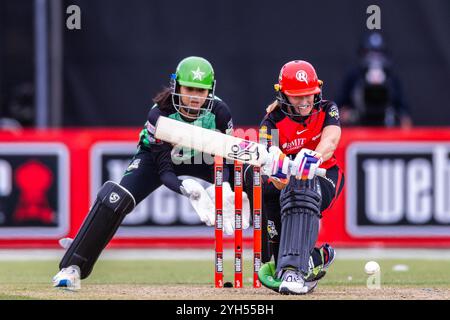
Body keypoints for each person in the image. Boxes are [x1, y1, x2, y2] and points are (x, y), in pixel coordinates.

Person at [52, 56, 248, 290]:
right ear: (177, 86)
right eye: (190, 89)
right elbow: (165, 171)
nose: (196, 97)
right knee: (117, 198)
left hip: (201, 156)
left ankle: (285, 267)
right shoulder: (160, 114)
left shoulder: (220, 111)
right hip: (157, 158)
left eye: (202, 91)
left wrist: (223, 186)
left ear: (211, 91)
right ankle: (72, 266)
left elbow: (226, 160)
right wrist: (187, 190)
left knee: (254, 183)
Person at [253, 60, 345, 295]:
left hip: (325, 177)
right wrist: (278, 170)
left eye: (309, 95)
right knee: (276, 188)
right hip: (287, 187)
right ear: (283, 94)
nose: (305, 102)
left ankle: (293, 269)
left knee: (303, 183)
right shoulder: (270, 122)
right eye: (297, 96)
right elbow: (277, 182)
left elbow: (331, 141)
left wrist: (313, 157)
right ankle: (315, 256)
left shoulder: (327, 108)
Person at [337, 31, 412, 128]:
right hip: (358, 129)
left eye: (378, 53)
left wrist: (400, 118)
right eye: (370, 52)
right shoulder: (354, 76)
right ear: (363, 53)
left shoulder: (392, 78)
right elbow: (338, 109)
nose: (374, 57)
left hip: (387, 129)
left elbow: (404, 114)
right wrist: (347, 115)